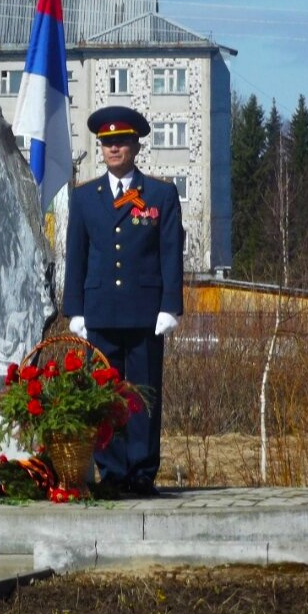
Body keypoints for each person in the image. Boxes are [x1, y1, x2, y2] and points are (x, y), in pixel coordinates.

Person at [63, 106, 183, 496]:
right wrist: (74, 309)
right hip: (100, 312)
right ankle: (112, 471)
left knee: (143, 395)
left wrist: (170, 305)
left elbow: (170, 252)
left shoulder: (160, 194)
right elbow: (77, 254)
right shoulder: (85, 197)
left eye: (121, 142)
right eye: (107, 143)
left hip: (145, 312)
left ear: (136, 146)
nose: (114, 149)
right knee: (105, 395)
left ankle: (142, 471)